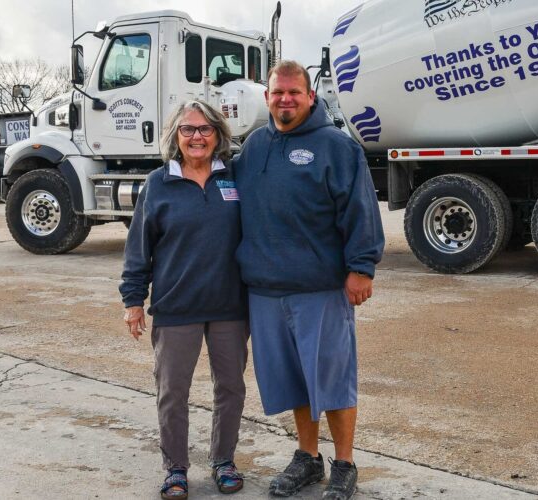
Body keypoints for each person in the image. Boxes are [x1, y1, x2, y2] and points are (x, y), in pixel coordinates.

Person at [234, 60, 385, 499]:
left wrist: (361, 267)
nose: (285, 99)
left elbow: (360, 211)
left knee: (332, 379)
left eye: (293, 93)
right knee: (295, 379)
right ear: (266, 97)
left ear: (310, 96)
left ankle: (344, 463)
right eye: (277, 92)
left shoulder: (337, 148)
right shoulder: (253, 148)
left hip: (320, 288)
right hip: (265, 291)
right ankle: (307, 457)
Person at [120, 100, 248, 499]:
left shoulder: (235, 179)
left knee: (231, 388)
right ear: (175, 136)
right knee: (172, 391)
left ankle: (223, 460)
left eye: (206, 129)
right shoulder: (159, 182)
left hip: (230, 305)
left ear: (219, 135)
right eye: (188, 130)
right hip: (176, 307)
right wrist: (133, 299)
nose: (197, 137)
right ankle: (175, 468)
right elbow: (138, 247)